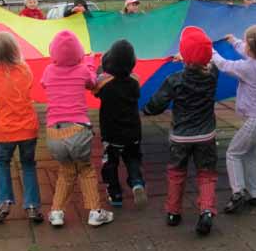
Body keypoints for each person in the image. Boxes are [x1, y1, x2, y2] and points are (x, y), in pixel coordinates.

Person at [144, 26, 219, 236]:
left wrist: (147, 110)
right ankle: (206, 210)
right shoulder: (213, 74)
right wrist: (191, 58)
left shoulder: (174, 79)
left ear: (184, 55)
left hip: (180, 137)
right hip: (206, 135)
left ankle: (173, 212)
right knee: (206, 173)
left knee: (176, 173)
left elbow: (158, 103)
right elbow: (206, 62)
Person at [41, 30, 113, 227]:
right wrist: (88, 63)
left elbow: (44, 84)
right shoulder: (82, 70)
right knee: (86, 169)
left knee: (66, 171)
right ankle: (95, 212)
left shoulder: (48, 71)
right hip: (77, 130)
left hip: (53, 133)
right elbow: (92, 83)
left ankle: (56, 212)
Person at [212, 26, 256, 213]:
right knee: (252, 154)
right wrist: (234, 41)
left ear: (252, 49)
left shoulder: (248, 67)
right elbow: (249, 51)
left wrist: (209, 50)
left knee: (233, 153)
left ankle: (238, 192)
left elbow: (224, 65)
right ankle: (255, 193)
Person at [0, 32, 44, 224]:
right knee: (29, 165)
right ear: (15, 49)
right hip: (28, 128)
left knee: (2, 163)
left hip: (4, 130)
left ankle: (4, 203)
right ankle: (32, 206)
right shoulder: (25, 69)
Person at [93, 39, 146, 208]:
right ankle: (137, 182)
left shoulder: (103, 83)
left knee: (111, 164)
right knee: (133, 159)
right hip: (132, 131)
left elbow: (95, 85)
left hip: (112, 133)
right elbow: (132, 76)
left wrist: (100, 67)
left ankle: (115, 194)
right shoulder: (135, 81)